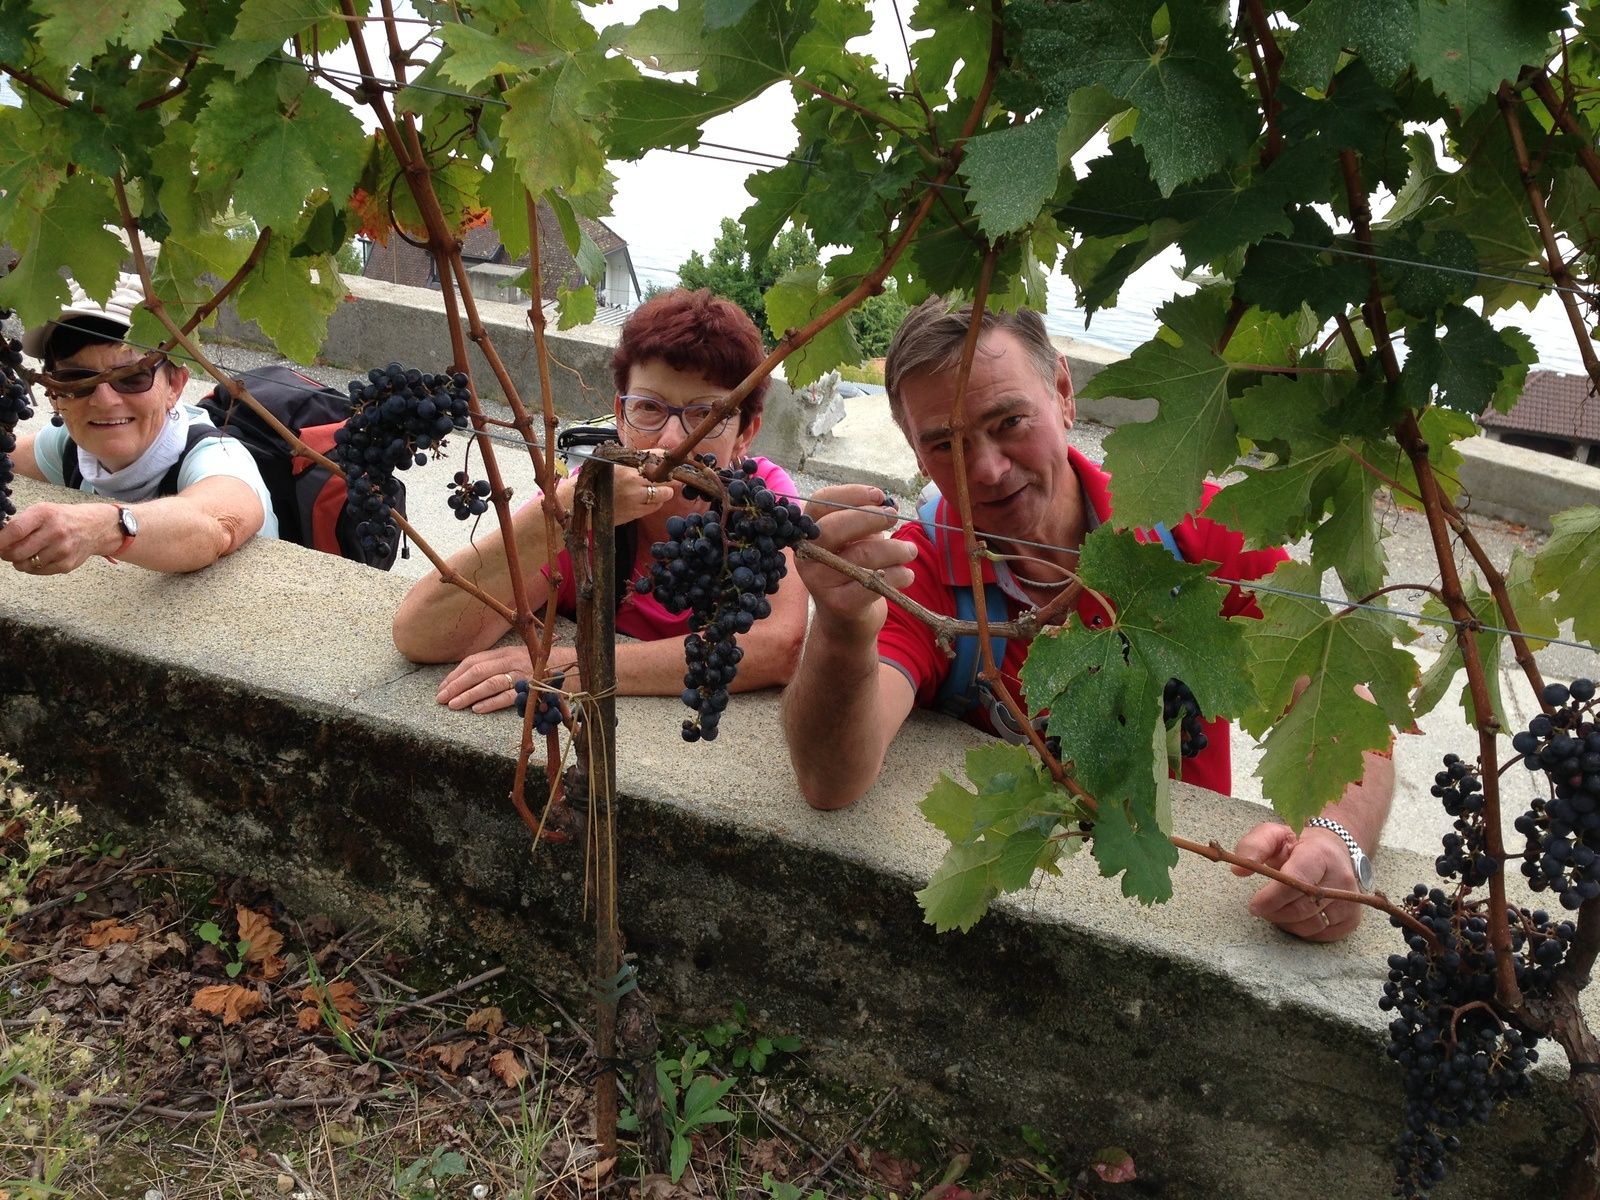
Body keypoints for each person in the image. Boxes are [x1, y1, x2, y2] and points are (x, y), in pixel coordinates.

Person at [782, 298, 1395, 942]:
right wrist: (841, 624)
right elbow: (831, 779)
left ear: (1065, 395)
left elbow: (1343, 693)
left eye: (1010, 421)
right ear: (914, 450)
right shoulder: (920, 569)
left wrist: (1338, 839)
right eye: (945, 444)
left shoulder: (1197, 536)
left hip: (1189, 898)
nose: (987, 468)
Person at [392, 288, 807, 709]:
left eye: (707, 415)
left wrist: (578, 667)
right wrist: (563, 513)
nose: (672, 440)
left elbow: (778, 646)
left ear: (746, 434)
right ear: (620, 415)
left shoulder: (759, 501)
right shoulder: (584, 499)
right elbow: (420, 634)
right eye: (649, 408)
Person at [0, 274, 276, 576]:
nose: (104, 400)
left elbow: (214, 529)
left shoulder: (219, 456)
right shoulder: (68, 445)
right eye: (76, 380)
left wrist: (102, 528)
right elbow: (7, 459)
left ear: (175, 386)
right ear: (53, 393)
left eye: (132, 377)